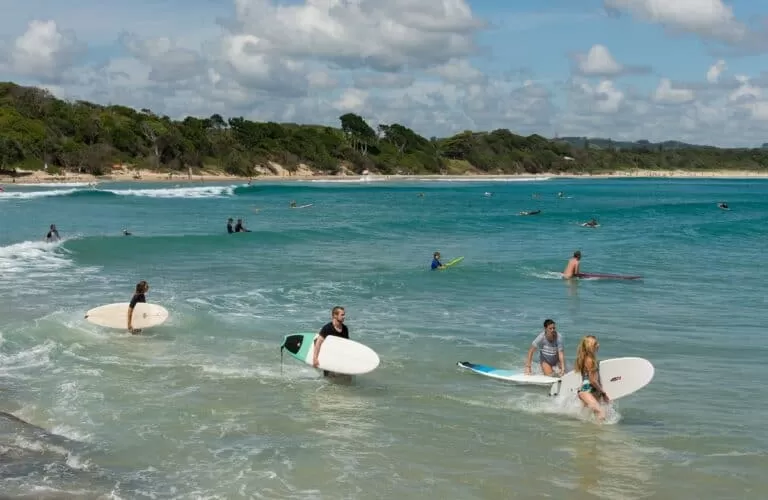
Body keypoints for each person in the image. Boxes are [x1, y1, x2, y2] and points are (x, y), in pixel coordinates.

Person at [574, 335, 609, 421]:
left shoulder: (586, 358)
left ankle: (591, 433)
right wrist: (603, 393)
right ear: (590, 346)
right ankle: (598, 434)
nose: (598, 345)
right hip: (587, 392)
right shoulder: (590, 361)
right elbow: (593, 380)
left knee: (588, 417)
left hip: (589, 391)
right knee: (601, 413)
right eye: (595, 343)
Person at [312, 306, 350, 377]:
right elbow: (318, 343)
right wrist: (315, 358)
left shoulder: (345, 329)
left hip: (338, 356)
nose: (344, 316)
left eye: (344, 314)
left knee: (347, 378)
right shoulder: (327, 328)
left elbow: (346, 344)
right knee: (328, 380)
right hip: (328, 356)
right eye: (342, 315)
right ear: (335, 315)